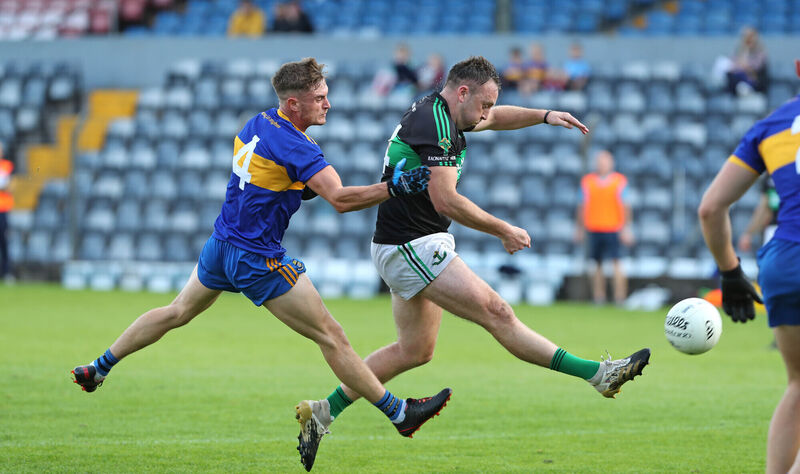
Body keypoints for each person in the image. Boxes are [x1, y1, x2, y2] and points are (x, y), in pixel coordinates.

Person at [70, 58, 449, 473]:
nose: (328, 104)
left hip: (221, 245)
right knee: (332, 337)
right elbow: (339, 200)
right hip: (257, 258)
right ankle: (399, 414)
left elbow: (274, 181)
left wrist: (311, 186)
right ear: (292, 103)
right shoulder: (297, 145)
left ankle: (98, 367)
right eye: (319, 98)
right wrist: (393, 187)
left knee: (176, 311)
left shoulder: (257, 123)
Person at [303, 56, 651, 461]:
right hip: (410, 245)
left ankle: (323, 411)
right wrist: (503, 228)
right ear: (462, 92)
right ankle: (598, 374)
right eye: (483, 104)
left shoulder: (448, 112)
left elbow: (497, 118)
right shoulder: (435, 124)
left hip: (413, 242)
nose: (486, 114)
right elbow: (445, 198)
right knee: (497, 311)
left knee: (415, 350)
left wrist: (545, 114)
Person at [698, 59, 800, 474]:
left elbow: (710, 207)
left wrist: (730, 272)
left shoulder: (770, 126)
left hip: (784, 262)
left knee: (797, 384)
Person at [574, 150, 634, 306]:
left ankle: (620, 298)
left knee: (616, 263)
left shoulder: (619, 181)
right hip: (594, 227)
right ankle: (598, 297)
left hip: (613, 228)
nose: (602, 165)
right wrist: (579, 228)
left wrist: (626, 228)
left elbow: (625, 206)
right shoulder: (587, 182)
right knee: (596, 264)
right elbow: (582, 206)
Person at [737, 175, 779, 253]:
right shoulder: (768, 178)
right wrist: (749, 234)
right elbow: (765, 209)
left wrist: (748, 234)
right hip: (774, 230)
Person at [726, 26, 768, 96]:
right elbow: (733, 67)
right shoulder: (738, 51)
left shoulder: (760, 53)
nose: (748, 39)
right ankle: (741, 89)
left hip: (754, 81)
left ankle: (744, 88)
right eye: (746, 36)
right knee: (732, 75)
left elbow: (755, 67)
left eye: (751, 36)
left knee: (741, 76)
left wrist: (744, 66)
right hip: (739, 79)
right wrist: (745, 50)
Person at [0, 145, 12, 283]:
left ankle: (7, 272)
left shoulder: (8, 166)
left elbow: (10, 185)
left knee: (4, 242)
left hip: (3, 209)